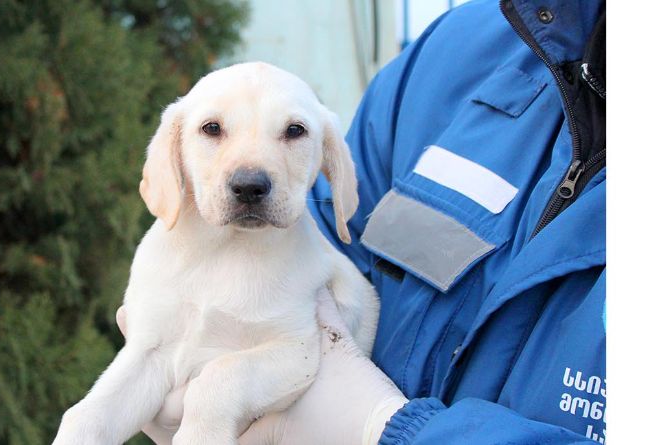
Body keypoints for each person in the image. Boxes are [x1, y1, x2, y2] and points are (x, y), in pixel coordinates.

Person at [120, 0, 606, 443]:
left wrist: (385, 426)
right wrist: (222, 361)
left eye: (292, 132)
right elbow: (326, 235)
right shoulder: (463, 51)